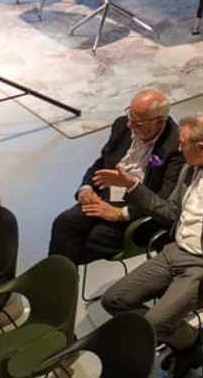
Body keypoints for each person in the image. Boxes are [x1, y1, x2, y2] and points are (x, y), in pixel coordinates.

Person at [99, 113, 203, 378]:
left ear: (201, 147)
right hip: (174, 252)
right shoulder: (190, 168)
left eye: (183, 143)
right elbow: (169, 212)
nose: (178, 148)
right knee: (114, 300)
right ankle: (189, 339)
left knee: (154, 324)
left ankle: (184, 349)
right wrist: (132, 186)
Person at [47, 88, 182, 267]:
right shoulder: (122, 125)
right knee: (64, 223)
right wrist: (86, 188)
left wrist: (120, 214)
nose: (130, 124)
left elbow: (164, 200)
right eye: (130, 115)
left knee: (90, 239)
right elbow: (101, 162)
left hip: (138, 211)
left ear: (159, 122)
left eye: (137, 121)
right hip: (105, 196)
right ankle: (59, 279)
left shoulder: (176, 146)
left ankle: (59, 280)